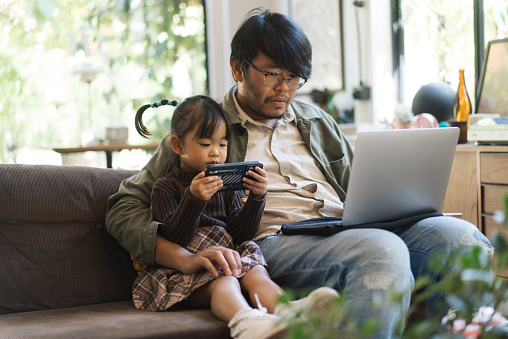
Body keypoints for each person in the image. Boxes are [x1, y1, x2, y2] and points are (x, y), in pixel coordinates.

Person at [106, 8, 493, 338]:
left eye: (294, 78)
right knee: (382, 250)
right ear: (237, 68)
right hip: (279, 239)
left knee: (464, 240)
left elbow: (363, 186)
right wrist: (178, 256)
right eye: (273, 74)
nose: (285, 89)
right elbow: (124, 205)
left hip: (349, 226)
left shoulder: (317, 120)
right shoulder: (207, 127)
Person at [130, 95, 339, 339]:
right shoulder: (165, 187)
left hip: (229, 253)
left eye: (222, 145)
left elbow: (242, 233)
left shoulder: (227, 184)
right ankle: (247, 323)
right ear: (178, 146)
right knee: (225, 283)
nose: (216, 154)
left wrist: (257, 197)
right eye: (206, 144)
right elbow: (176, 236)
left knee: (257, 273)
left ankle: (289, 312)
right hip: (192, 266)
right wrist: (194, 199)